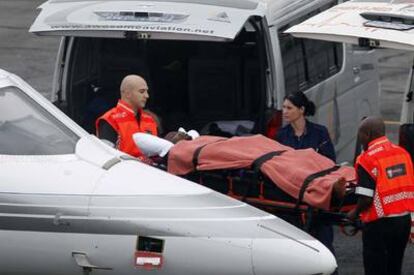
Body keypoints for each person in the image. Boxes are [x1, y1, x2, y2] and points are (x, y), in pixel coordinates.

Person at [347, 116, 414, 275]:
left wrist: (354, 213)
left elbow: (366, 197)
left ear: (368, 134)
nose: (360, 138)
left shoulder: (367, 159)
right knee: (394, 267)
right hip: (403, 222)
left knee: (375, 269)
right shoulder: (402, 153)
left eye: (361, 134)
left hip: (380, 224)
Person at [276, 91, 336, 256]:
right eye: (283, 107)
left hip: (316, 194)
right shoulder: (281, 135)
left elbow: (330, 161)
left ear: (301, 110)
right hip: (291, 194)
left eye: (289, 107)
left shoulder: (320, 132)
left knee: (323, 243)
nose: (285, 111)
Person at [96, 75, 158, 158]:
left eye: (147, 91)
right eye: (142, 91)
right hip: (123, 169)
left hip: (151, 169)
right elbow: (105, 156)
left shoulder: (150, 119)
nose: (147, 95)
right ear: (128, 94)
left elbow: (157, 153)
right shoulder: (110, 119)